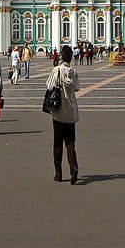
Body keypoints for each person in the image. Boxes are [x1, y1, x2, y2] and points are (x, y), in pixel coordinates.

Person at [46, 45, 80, 184]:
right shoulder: (74, 72)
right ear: (71, 57)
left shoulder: (57, 70)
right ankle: (74, 167)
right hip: (71, 113)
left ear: (61, 56)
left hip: (59, 112)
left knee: (58, 143)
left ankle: (58, 173)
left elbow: (49, 85)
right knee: (70, 143)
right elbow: (77, 88)